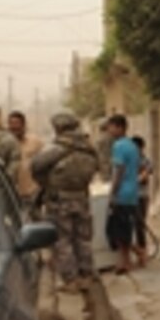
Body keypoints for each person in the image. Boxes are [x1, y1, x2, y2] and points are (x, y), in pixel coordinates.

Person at [31, 112, 100, 293]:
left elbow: (36, 168)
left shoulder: (56, 149)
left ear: (58, 128)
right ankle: (87, 275)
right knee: (83, 238)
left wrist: (47, 185)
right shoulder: (89, 148)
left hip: (59, 201)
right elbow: (98, 168)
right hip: (82, 198)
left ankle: (71, 280)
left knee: (63, 240)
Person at [104, 114, 141, 274]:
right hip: (132, 192)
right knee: (124, 229)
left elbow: (119, 171)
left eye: (111, 127)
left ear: (120, 127)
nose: (109, 130)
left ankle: (125, 262)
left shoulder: (118, 146)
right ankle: (126, 260)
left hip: (122, 193)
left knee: (117, 231)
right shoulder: (132, 145)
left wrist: (112, 193)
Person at [7, 110, 45, 215]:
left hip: (32, 194)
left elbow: (45, 165)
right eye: (11, 124)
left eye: (17, 124)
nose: (14, 128)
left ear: (23, 125)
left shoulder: (36, 143)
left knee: (35, 226)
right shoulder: (4, 145)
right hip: (10, 195)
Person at [131, 135, 153, 266]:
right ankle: (137, 251)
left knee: (139, 226)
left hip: (141, 196)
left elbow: (144, 176)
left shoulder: (145, 161)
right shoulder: (129, 160)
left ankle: (142, 254)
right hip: (130, 197)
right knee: (128, 226)